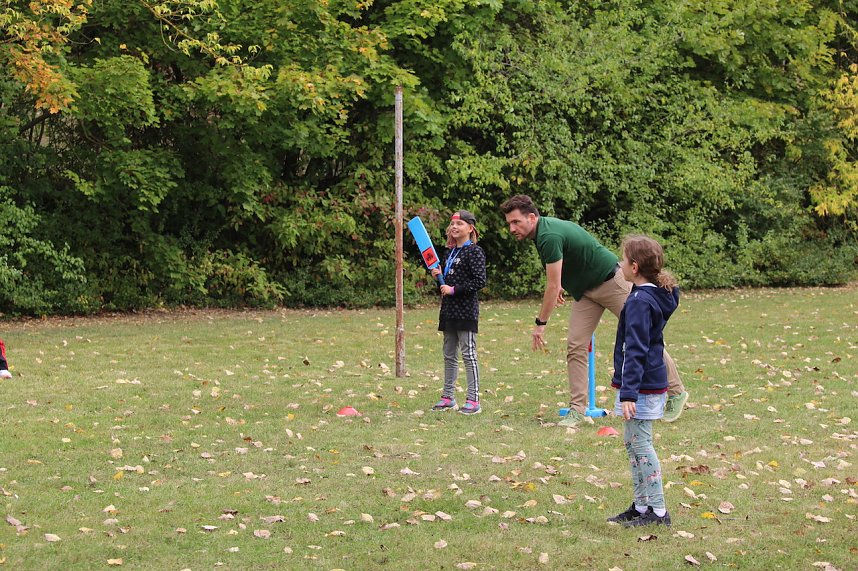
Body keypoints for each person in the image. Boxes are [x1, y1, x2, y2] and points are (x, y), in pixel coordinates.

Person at [499, 195, 688, 426]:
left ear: (531, 217)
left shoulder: (548, 235)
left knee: (645, 338)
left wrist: (541, 323)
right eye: (509, 223)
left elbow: (552, 285)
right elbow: (562, 272)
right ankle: (578, 410)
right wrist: (564, 284)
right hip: (585, 293)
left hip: (612, 282)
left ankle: (677, 392)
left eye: (515, 222)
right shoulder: (541, 233)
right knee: (576, 345)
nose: (511, 228)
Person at [607, 235, 678, 527]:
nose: (620, 264)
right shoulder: (655, 294)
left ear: (634, 267)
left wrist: (628, 393)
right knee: (632, 442)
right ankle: (641, 505)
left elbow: (635, 349)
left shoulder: (639, 301)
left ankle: (658, 511)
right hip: (643, 383)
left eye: (623, 260)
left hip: (641, 386)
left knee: (641, 444)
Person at [428, 210, 487, 415]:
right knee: (449, 355)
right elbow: (449, 280)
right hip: (448, 311)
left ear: (470, 228)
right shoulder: (449, 252)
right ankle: (448, 397)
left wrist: (453, 290)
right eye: (452, 224)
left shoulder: (475, 252)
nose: (454, 227)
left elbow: (479, 281)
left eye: (460, 224)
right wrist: (440, 276)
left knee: (468, 355)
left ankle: (473, 400)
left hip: (466, 311)